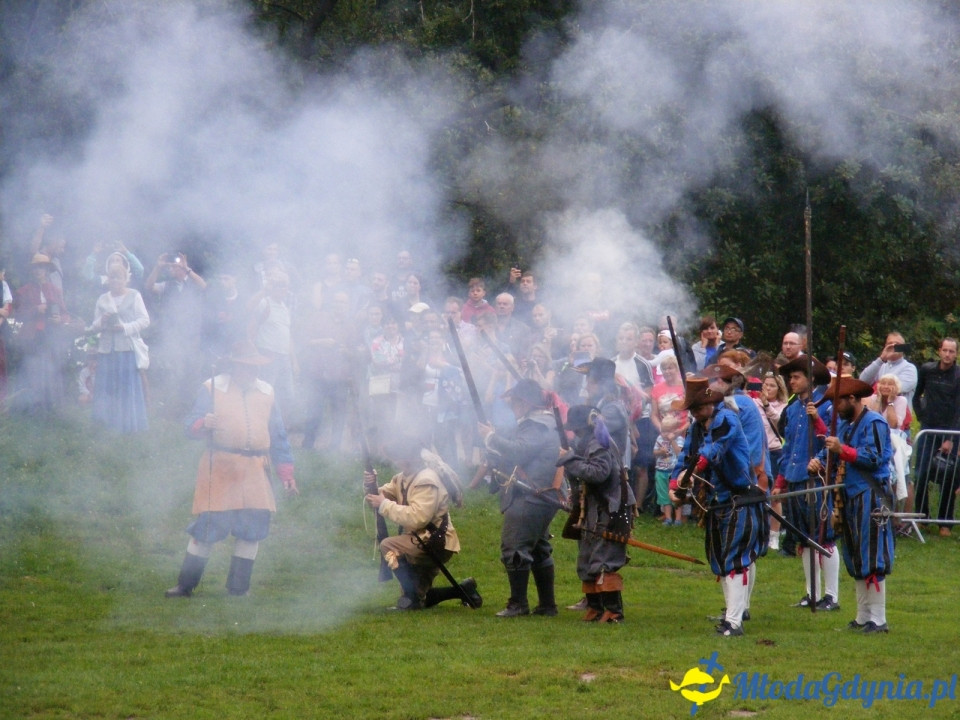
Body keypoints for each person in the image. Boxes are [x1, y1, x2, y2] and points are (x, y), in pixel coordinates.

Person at [165, 341, 297, 598]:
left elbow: (278, 436)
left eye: (255, 367)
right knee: (208, 528)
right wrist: (204, 423)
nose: (252, 372)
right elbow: (189, 425)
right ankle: (185, 585)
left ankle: (238, 590)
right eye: (247, 367)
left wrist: (286, 474)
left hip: (255, 469)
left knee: (252, 530)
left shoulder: (267, 391)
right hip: (221, 467)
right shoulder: (211, 387)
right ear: (235, 366)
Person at [669, 377, 768, 637]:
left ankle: (734, 622)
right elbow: (685, 457)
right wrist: (674, 482)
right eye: (692, 409)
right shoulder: (696, 426)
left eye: (698, 407)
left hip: (738, 496)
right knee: (723, 559)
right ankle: (731, 614)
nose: (694, 412)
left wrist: (692, 472)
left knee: (734, 559)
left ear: (712, 402)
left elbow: (713, 450)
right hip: (718, 500)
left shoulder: (726, 419)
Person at [808, 375, 894, 633]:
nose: (834, 409)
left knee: (872, 556)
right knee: (856, 557)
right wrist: (819, 461)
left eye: (837, 402)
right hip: (850, 496)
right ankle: (861, 616)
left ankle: (878, 619)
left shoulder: (875, 423)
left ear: (852, 399)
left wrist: (842, 450)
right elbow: (830, 450)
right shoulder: (845, 425)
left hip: (871, 495)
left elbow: (875, 457)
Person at [364, 436, 480, 610]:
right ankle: (463, 590)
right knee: (421, 597)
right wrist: (371, 487)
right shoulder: (404, 477)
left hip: (434, 541)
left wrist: (384, 505)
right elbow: (379, 497)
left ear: (407, 458)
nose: (395, 461)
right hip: (421, 539)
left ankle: (411, 597)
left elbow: (418, 518)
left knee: (388, 545)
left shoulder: (426, 480)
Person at [478, 379, 561, 617]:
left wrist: (491, 437)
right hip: (539, 495)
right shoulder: (540, 423)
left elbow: (518, 451)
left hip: (531, 494)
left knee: (515, 548)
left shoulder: (536, 425)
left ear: (524, 403)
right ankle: (546, 605)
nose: (511, 405)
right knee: (538, 549)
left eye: (514, 401)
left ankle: (518, 604)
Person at [772, 356, 839, 610]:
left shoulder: (826, 406)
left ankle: (832, 596)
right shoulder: (791, 410)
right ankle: (812, 593)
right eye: (790, 378)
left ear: (810, 379)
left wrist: (816, 420)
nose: (791, 381)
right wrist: (780, 481)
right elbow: (789, 449)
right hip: (795, 477)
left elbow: (831, 441)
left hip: (817, 479)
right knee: (804, 538)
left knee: (825, 537)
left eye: (796, 377)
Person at [558, 405, 636, 622]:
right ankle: (595, 608)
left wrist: (570, 460)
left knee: (604, 560)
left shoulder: (598, 445)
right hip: (595, 508)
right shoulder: (588, 443)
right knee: (587, 559)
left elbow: (598, 473)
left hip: (611, 509)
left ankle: (613, 611)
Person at [89, 263, 150, 433]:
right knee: (107, 388)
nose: (115, 280)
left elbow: (145, 320)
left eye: (119, 277)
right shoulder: (102, 299)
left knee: (125, 387)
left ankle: (128, 425)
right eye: (112, 277)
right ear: (107, 279)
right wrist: (102, 321)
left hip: (126, 349)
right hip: (107, 350)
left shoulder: (134, 295)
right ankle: (105, 425)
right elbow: (94, 326)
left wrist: (124, 327)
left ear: (126, 279)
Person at [912, 338, 960, 534]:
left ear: (956, 354)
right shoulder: (927, 370)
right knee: (922, 472)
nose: (947, 354)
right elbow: (917, 396)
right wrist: (923, 416)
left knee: (948, 476)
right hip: (928, 429)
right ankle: (922, 516)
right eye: (945, 350)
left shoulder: (958, 375)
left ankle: (945, 522)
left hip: (950, 431)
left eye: (952, 351)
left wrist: (951, 438)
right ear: (939, 351)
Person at [858, 332, 918, 407]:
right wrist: (881, 359)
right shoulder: (880, 365)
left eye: (897, 344)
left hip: (898, 415)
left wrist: (877, 386)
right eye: (890, 344)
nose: (893, 346)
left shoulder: (909, 368)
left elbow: (895, 389)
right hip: (878, 414)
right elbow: (863, 381)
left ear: (903, 348)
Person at [653, 414, 685, 526]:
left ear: (675, 430)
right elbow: (655, 453)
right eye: (663, 431)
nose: (665, 434)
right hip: (661, 470)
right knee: (664, 496)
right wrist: (660, 451)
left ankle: (678, 519)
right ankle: (667, 518)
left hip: (674, 472)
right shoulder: (659, 439)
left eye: (668, 432)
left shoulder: (679, 439)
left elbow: (679, 454)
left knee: (676, 495)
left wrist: (672, 441)